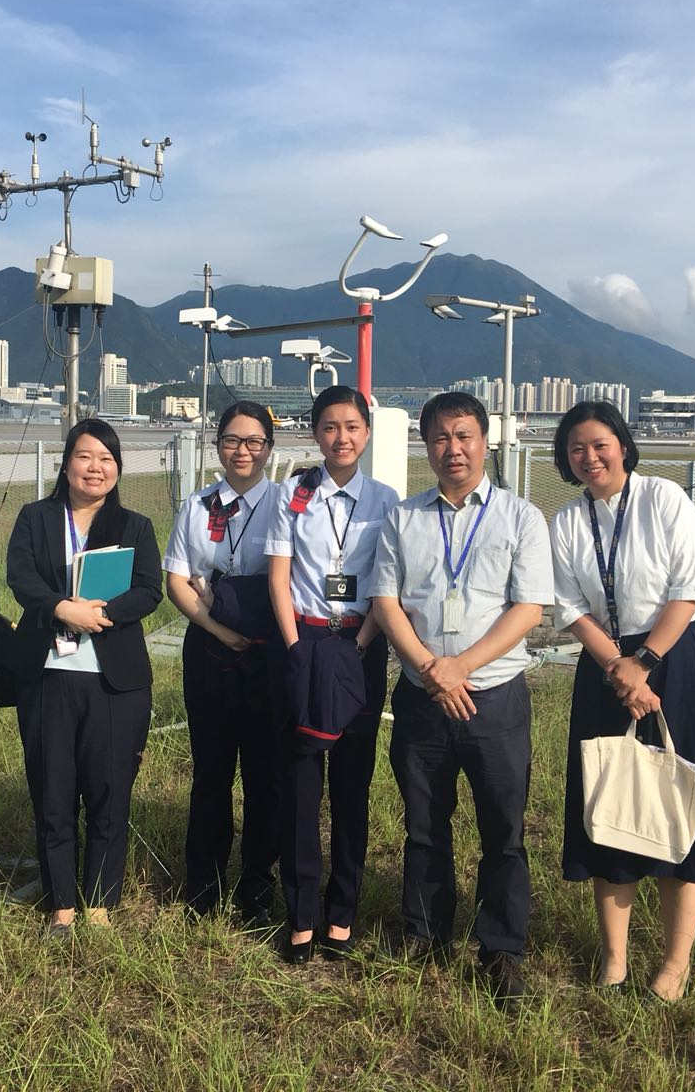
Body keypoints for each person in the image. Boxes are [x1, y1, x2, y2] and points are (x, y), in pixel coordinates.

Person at [549, 400, 695, 1001]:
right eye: (577, 448)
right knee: (611, 800)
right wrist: (617, 666)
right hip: (605, 665)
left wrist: (645, 664)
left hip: (674, 660)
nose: (590, 457)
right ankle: (614, 960)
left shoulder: (664, 500)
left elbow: (689, 588)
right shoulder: (565, 521)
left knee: (675, 803)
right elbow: (568, 606)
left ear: (624, 446)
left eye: (600, 444)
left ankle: (673, 965)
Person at [370, 392, 550, 1005]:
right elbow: (386, 601)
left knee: (503, 829)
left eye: (466, 435)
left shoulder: (520, 516)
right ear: (428, 446)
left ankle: (501, 948)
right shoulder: (404, 517)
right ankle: (425, 933)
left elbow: (529, 607)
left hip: (493, 698)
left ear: (485, 440)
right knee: (424, 825)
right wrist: (428, 668)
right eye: (442, 437)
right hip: (422, 695)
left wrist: (460, 668)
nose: (455, 448)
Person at [6, 418, 162, 934]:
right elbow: (21, 577)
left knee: (108, 790)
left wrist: (102, 616)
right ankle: (62, 905)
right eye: (85, 456)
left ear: (117, 470)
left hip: (114, 680)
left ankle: (98, 902)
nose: (95, 468)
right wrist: (60, 609)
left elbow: (148, 590)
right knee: (53, 791)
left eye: (107, 459)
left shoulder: (135, 526)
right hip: (47, 675)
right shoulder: (36, 517)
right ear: (66, 462)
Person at [265, 384, 399, 964]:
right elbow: (279, 573)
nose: (341, 438)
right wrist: (295, 647)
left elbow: (388, 579)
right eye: (329, 427)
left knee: (351, 785)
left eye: (351, 427)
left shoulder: (388, 500)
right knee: (298, 785)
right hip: (305, 639)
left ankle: (341, 912)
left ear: (366, 434)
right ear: (314, 432)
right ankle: (301, 914)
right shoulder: (292, 493)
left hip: (361, 644)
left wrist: (363, 642)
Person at [163, 401, 283, 922]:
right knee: (210, 772)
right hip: (210, 652)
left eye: (254, 441)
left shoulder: (285, 504)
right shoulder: (196, 505)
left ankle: (258, 885)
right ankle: (203, 883)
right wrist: (215, 628)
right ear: (217, 445)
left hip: (268, 655)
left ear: (269, 449)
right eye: (233, 440)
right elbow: (177, 579)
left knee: (264, 775)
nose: (243, 451)